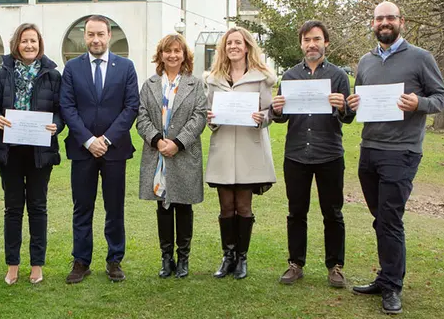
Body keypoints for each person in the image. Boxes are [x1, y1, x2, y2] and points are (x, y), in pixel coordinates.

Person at [347, 1, 444, 315]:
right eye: (379, 18)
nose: (385, 22)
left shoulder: (420, 58)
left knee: (390, 220)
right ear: (373, 23)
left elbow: (442, 98)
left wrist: (418, 102)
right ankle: (386, 276)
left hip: (402, 152)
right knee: (382, 220)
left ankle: (392, 287)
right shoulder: (365, 61)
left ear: (401, 21)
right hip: (370, 149)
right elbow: (360, 100)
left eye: (390, 17)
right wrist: (353, 103)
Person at [270, 20, 354, 288]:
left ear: (325, 43)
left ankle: (335, 266)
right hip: (296, 154)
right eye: (307, 40)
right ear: (301, 44)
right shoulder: (290, 77)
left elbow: (349, 118)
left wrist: (342, 108)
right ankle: (296, 264)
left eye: (316, 39)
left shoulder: (339, 76)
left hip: (329, 153)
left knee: (333, 213)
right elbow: (280, 118)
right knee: (296, 212)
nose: (312, 44)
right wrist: (277, 109)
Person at [60, 15, 140, 283]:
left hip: (114, 150)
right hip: (82, 150)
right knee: (82, 207)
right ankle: (81, 261)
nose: (96, 39)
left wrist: (105, 140)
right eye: (91, 34)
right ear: (85, 36)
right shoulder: (72, 68)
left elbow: (131, 107)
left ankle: (114, 259)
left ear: (109, 36)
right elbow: (67, 108)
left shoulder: (126, 67)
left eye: (101, 34)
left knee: (114, 206)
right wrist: (87, 140)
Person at [0, 23, 64, 285]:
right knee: (13, 208)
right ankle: (12, 265)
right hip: (10, 152)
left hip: (40, 151)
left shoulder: (53, 75)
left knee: (38, 207)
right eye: (24, 41)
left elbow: (61, 111)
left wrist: (57, 124)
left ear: (39, 44)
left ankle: (37, 265)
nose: (29, 46)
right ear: (16, 45)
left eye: (33, 41)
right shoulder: (3, 73)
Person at [204, 26, 276, 280]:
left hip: (249, 149)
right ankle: (228, 256)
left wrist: (261, 118)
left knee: (243, 206)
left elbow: (270, 112)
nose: (233, 46)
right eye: (229, 43)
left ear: (247, 46)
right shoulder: (213, 78)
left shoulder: (260, 78)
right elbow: (209, 113)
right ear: (224, 48)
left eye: (238, 42)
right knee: (226, 207)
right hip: (223, 148)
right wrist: (210, 119)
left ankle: (242, 258)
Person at [136, 34, 208, 279]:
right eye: (168, 51)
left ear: (184, 55)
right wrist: (157, 140)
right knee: (163, 206)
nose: (173, 55)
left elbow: (199, 116)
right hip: (158, 155)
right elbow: (141, 116)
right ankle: (167, 259)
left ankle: (184, 258)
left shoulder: (195, 84)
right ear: (161, 55)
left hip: (184, 154)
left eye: (177, 51)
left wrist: (177, 143)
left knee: (183, 206)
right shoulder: (150, 84)